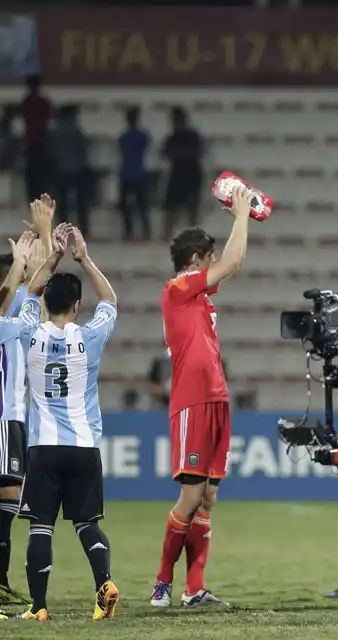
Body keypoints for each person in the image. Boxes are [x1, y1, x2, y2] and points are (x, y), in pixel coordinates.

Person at [150, 185, 253, 609]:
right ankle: (161, 582)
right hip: (192, 400)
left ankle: (195, 589)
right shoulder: (177, 288)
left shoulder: (197, 294)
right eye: (206, 258)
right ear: (195, 262)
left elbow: (226, 264)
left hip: (215, 398)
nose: (212, 265)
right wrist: (242, 216)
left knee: (208, 496)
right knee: (191, 496)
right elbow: (233, 262)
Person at [17, 223, 120, 621]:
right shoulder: (89, 337)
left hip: (43, 447)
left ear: (46, 302)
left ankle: (39, 607)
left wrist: (54, 256)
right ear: (77, 306)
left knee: (41, 527)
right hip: (84, 446)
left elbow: (29, 291)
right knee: (86, 523)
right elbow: (110, 300)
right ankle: (104, 584)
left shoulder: (30, 331)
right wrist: (84, 258)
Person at [0, 197, 54, 609]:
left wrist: (38, 251)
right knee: (9, 492)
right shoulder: (4, 310)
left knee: (12, 494)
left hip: (17, 417)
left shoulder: (17, 306)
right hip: (5, 416)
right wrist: (22, 262)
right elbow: (13, 291)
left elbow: (41, 282)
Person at [161, 107, 203, 240]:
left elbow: (197, 152)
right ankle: (168, 233)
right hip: (178, 174)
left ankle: (195, 236)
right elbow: (165, 153)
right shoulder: (172, 137)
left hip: (191, 174)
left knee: (192, 207)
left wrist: (179, 154)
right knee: (170, 206)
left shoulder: (192, 136)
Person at [48, 105, 90, 236]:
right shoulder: (75, 129)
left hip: (61, 168)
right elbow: (82, 148)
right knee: (80, 201)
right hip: (77, 168)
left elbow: (52, 151)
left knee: (62, 201)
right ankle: (84, 227)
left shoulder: (56, 131)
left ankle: (62, 227)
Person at [118, 107, 152, 241]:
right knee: (131, 206)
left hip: (133, 173)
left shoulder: (127, 137)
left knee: (140, 206)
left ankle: (140, 231)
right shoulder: (140, 136)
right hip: (132, 173)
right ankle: (132, 231)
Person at [21, 75, 53, 202]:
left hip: (31, 143)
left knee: (32, 174)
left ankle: (32, 197)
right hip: (42, 142)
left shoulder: (26, 101)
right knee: (42, 174)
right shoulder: (43, 102)